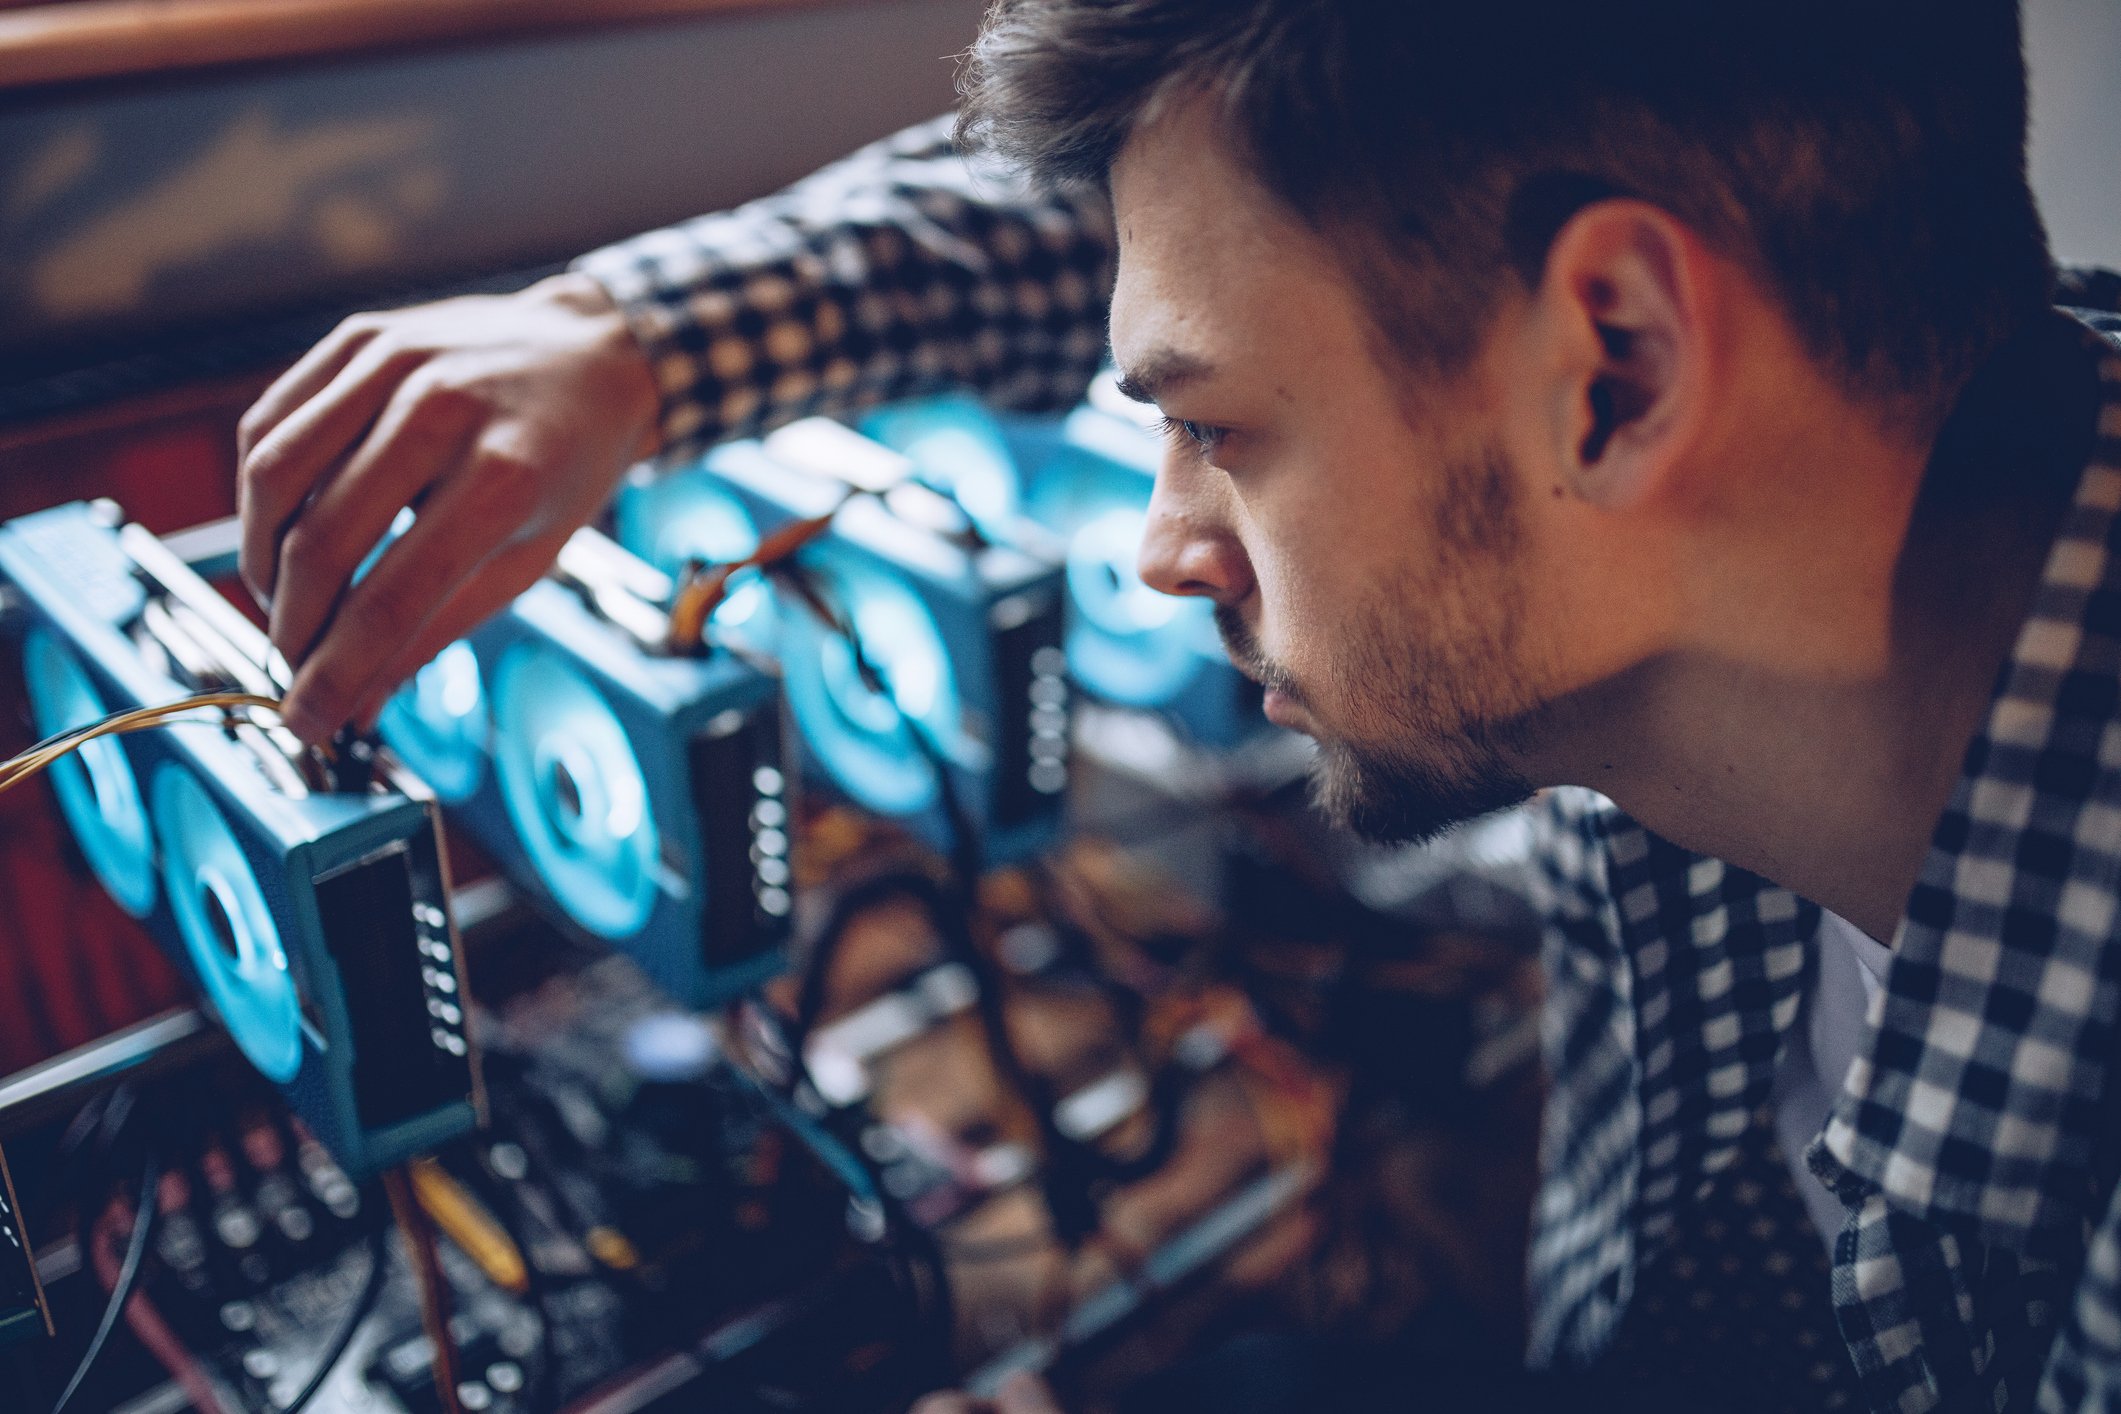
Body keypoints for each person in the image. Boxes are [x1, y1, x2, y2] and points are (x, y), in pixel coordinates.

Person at [236, 0, 2121, 1408]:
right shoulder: (1785, 547)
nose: (1163, 547)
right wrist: (627, 341)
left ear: (1611, 370)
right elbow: (1237, 241)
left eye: (1216, 434)